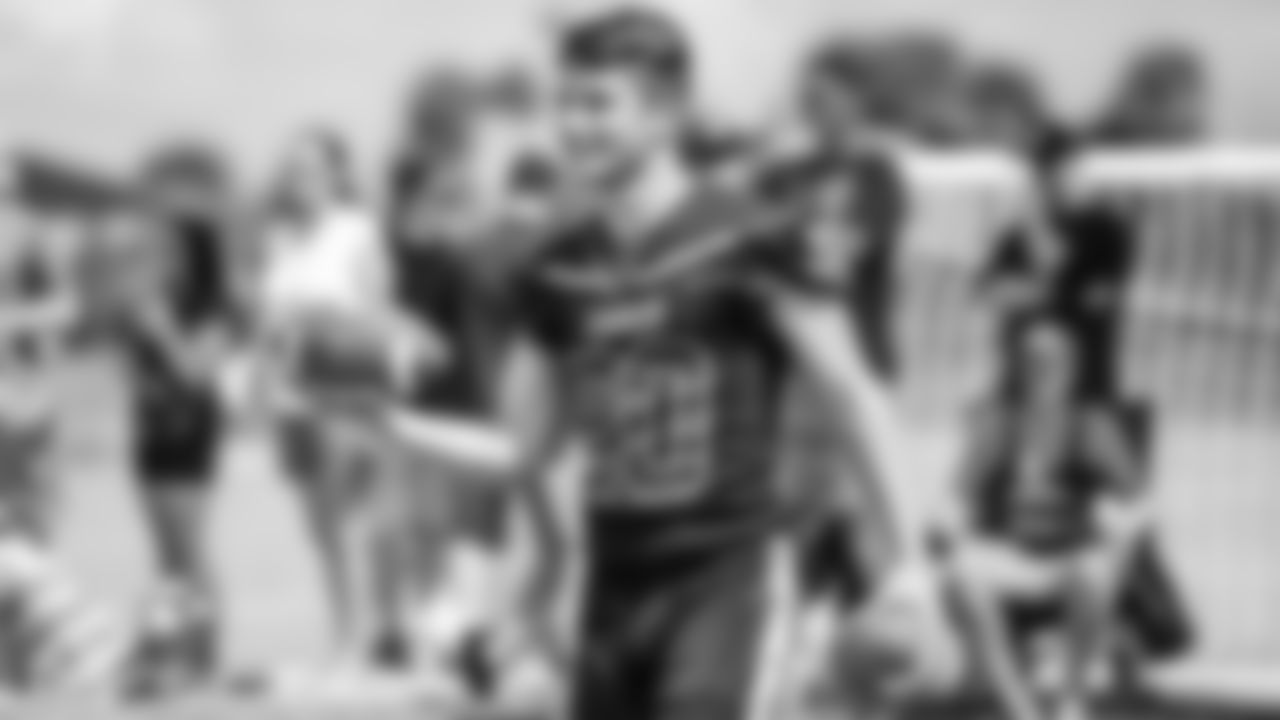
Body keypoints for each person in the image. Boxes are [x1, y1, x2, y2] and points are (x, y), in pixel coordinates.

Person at [364, 8, 933, 719]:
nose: (573, 125)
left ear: (666, 114)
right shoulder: (556, 270)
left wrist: (910, 565)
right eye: (565, 103)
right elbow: (523, 450)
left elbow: (856, 397)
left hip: (728, 588)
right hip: (613, 597)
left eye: (597, 103)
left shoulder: (752, 240)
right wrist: (388, 423)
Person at [246, 129, 428, 680]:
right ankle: (350, 632)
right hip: (293, 397)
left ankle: (379, 630)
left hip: (348, 392)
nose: (297, 177)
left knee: (363, 520)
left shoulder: (357, 232)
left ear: (334, 174)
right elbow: (266, 321)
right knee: (321, 526)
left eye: (309, 167)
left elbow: (380, 312)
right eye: (291, 167)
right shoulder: (278, 239)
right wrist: (259, 383)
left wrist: (322, 319)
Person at [937, 312, 1150, 720]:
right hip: (1012, 555)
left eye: (1052, 360)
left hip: (1070, 555)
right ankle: (1018, 707)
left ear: (1071, 368)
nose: (1041, 369)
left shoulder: (1090, 425)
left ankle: (1071, 700)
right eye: (1031, 360)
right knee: (960, 573)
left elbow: (1139, 498)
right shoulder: (999, 422)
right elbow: (958, 491)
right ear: (1018, 367)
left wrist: (1122, 522)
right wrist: (948, 518)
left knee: (1093, 573)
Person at [109, 146, 233, 693]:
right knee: (162, 552)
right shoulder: (155, 298)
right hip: (150, 430)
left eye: (173, 248)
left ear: (195, 252)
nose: (163, 256)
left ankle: (207, 654)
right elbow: (132, 366)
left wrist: (162, 332)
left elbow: (198, 372)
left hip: (191, 432)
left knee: (190, 547)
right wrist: (134, 340)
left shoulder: (211, 306)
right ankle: (173, 650)